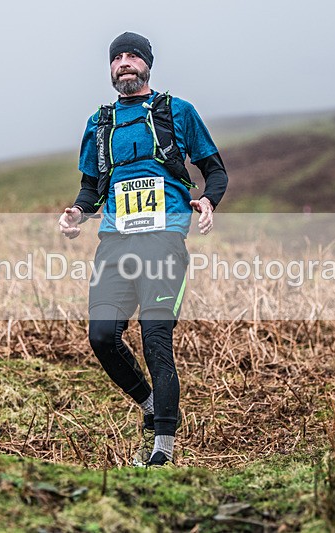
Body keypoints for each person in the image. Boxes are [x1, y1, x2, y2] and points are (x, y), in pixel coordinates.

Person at [58, 32, 228, 467]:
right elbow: (91, 186)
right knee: (101, 336)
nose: (124, 63)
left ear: (147, 64)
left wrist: (207, 200)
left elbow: (215, 171)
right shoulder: (99, 123)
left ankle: (161, 451)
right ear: (111, 70)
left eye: (132, 55)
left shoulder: (177, 112)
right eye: (117, 58)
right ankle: (151, 403)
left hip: (163, 241)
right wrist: (77, 212)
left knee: (156, 341)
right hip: (114, 244)